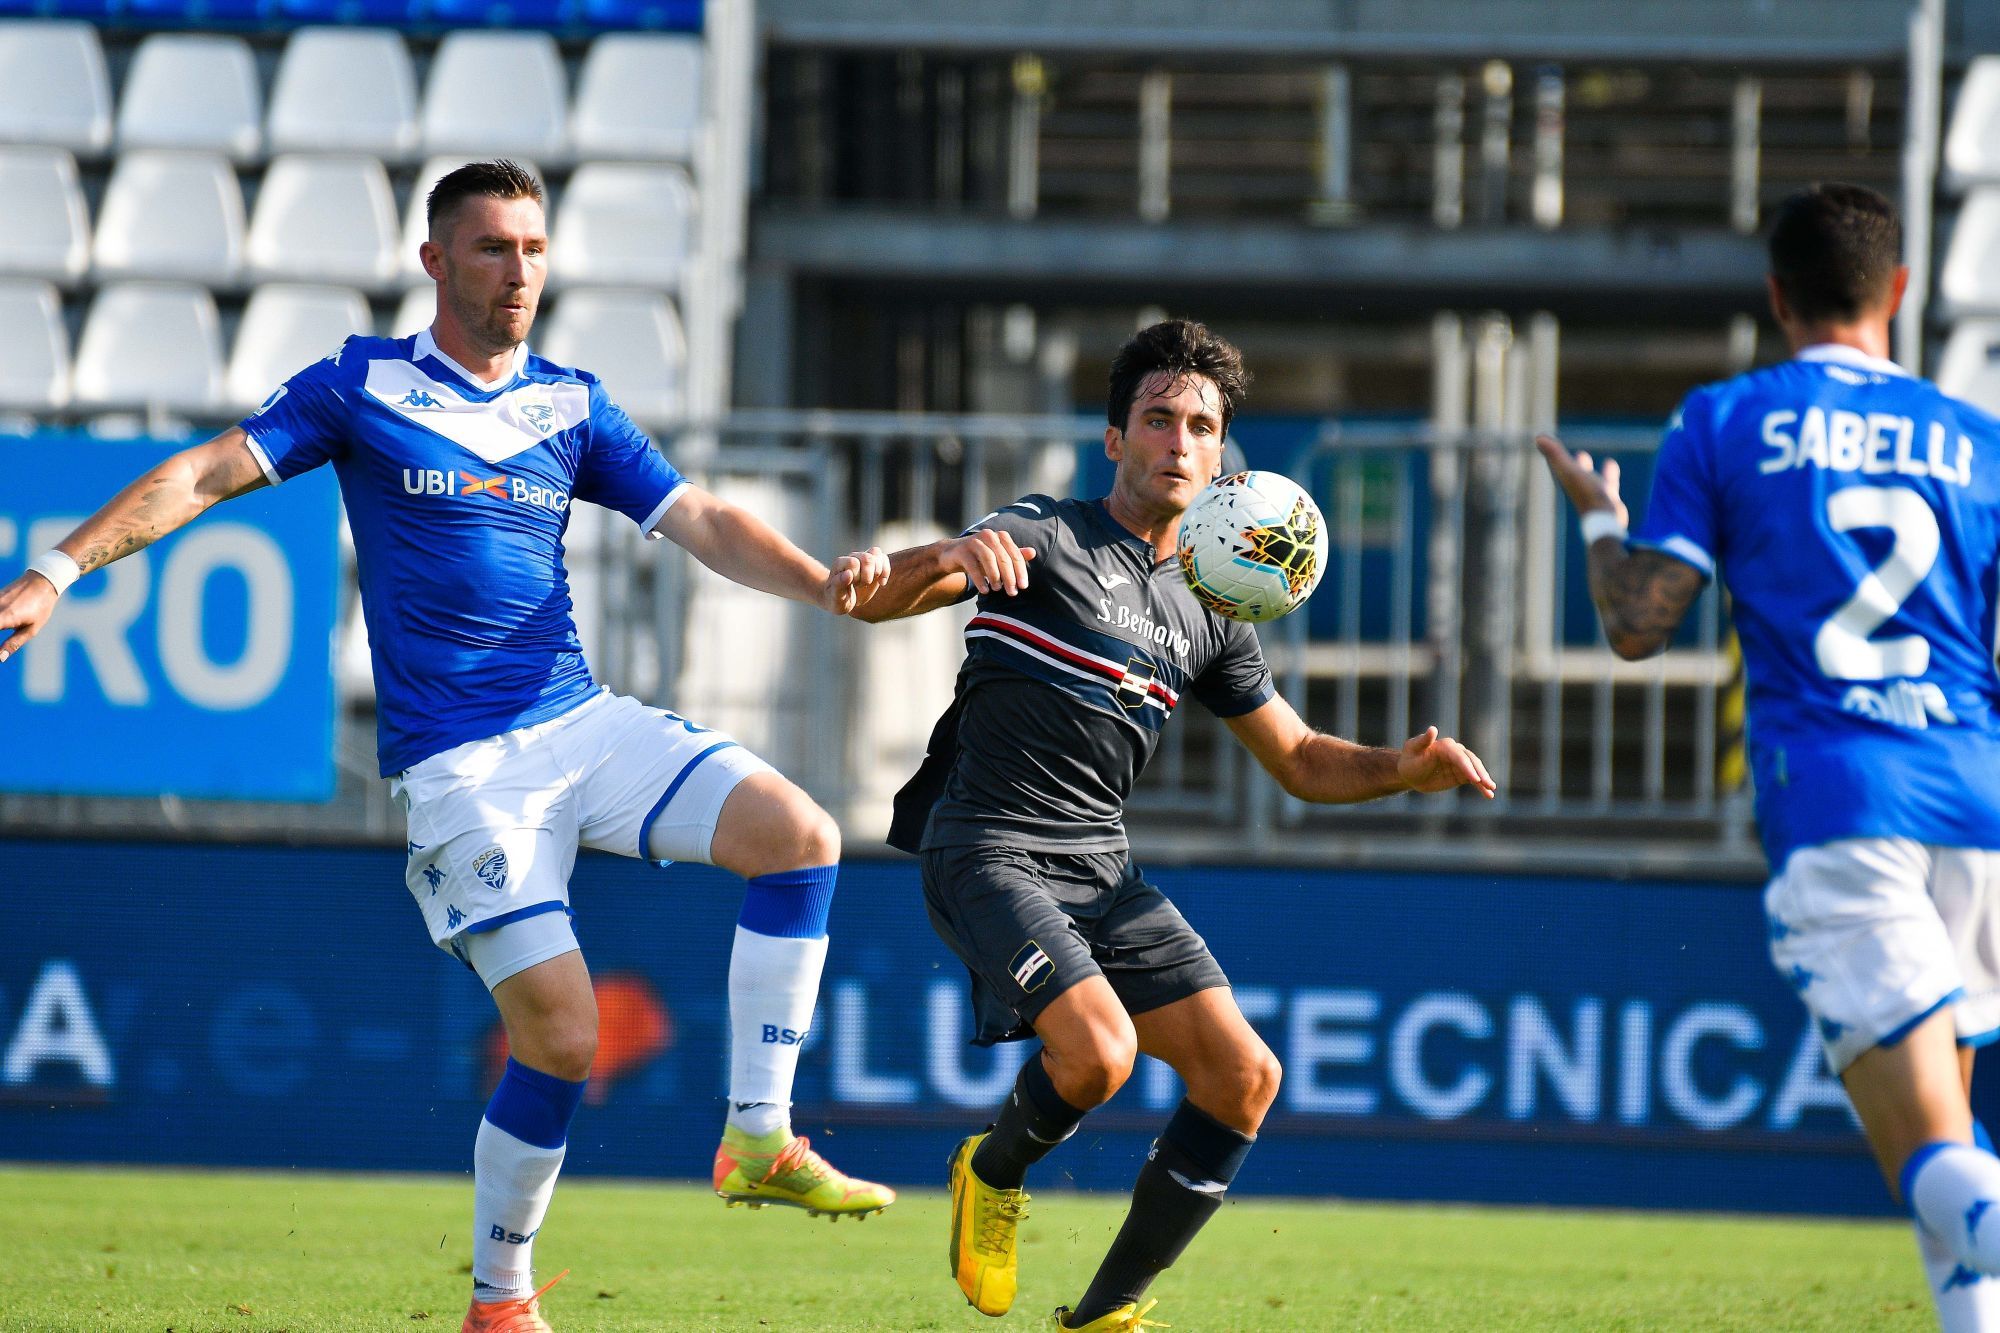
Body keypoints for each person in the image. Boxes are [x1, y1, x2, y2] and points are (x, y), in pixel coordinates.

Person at [0, 160, 896, 1333]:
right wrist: (59, 569)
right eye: (491, 248)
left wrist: (822, 584)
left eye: (532, 248)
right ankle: (500, 1301)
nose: (518, 270)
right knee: (564, 1036)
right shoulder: (360, 385)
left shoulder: (570, 402)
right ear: (435, 261)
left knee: (801, 836)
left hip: (581, 720)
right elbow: (208, 472)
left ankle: (759, 1136)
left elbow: (702, 520)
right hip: (464, 769)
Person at [852, 318, 1495, 1331]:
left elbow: (1296, 760)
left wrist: (1399, 771)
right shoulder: (1043, 534)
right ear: (1113, 439)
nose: (1180, 442)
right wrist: (944, 551)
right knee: (1098, 1057)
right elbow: (887, 597)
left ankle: (1104, 1312)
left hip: (1099, 868)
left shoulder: (1211, 605)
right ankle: (991, 1165)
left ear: (1222, 454)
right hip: (987, 845)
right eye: (1158, 419)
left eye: (1201, 425)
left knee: (1243, 1075)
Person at [1539, 183, 2000, 1332]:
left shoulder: (1727, 419)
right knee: (1941, 1157)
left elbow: (1639, 624)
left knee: (1935, 1155)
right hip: (1976, 803)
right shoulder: (1977, 443)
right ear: (1896, 291)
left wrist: (1600, 519)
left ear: (1773, 296)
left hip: (1842, 798)